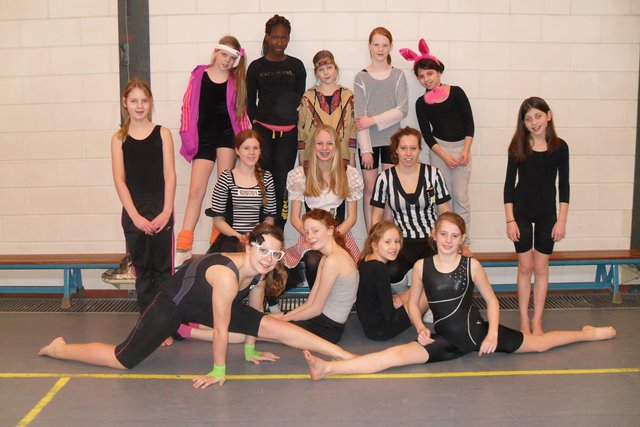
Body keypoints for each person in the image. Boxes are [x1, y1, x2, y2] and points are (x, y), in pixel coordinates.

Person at [302, 212, 616, 380]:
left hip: (478, 334)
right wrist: (420, 327)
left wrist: (493, 333)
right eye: (443, 234)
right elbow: (413, 304)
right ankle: (328, 368)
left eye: (454, 236)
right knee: (394, 357)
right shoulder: (422, 266)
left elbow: (492, 301)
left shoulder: (471, 265)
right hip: (447, 340)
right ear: (434, 236)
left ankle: (588, 333)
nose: (448, 240)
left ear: (461, 238)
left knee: (540, 344)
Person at [39, 223, 355, 389]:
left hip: (202, 303)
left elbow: (256, 317)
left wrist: (250, 350)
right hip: (173, 306)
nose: (268, 259)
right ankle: (60, 348)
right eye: (263, 250)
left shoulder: (259, 272)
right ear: (249, 245)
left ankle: (340, 354)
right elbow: (221, 328)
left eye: (275, 255)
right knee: (123, 359)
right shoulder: (228, 276)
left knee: (273, 326)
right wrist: (218, 370)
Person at [175, 36, 250, 268]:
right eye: (224, 55)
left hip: (227, 138)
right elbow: (187, 106)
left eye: (232, 58)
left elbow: (241, 114)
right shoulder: (199, 75)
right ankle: (183, 246)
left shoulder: (236, 81)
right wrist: (187, 135)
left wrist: (245, 142)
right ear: (216, 52)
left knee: (222, 192)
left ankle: (216, 240)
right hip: (204, 138)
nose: (227, 61)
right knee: (195, 191)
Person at [504, 97, 570, 336]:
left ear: (548, 116)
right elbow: (508, 186)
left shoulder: (560, 147)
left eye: (538, 116)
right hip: (521, 211)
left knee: (541, 267)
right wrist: (510, 220)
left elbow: (564, 185)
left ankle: (537, 320)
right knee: (525, 266)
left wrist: (561, 220)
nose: (534, 122)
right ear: (523, 123)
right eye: (528, 119)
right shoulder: (517, 146)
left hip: (547, 212)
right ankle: (523, 319)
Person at [401, 39, 474, 249]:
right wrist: (444, 156)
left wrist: (465, 150)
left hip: (461, 150)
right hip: (438, 152)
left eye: (430, 73)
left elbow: (469, 124)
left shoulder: (457, 92)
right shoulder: (421, 103)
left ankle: (464, 244)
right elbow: (427, 135)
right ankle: (442, 243)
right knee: (438, 198)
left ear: (438, 71)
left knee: (461, 198)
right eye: (421, 76)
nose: (426, 79)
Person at [111, 78, 176, 312]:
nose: (139, 106)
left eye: (144, 101)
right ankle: (148, 321)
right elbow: (119, 180)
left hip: (160, 207)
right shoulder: (119, 139)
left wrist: (166, 211)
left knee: (163, 271)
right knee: (143, 271)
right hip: (134, 211)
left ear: (150, 102)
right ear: (124, 103)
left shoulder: (163, 133)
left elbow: (170, 174)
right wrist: (135, 217)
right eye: (134, 101)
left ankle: (165, 321)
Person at [370, 126, 451, 290]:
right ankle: (403, 298)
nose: (408, 153)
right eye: (403, 148)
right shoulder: (385, 179)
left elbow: (445, 211)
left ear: (419, 149)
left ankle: (419, 303)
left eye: (413, 148)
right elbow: (376, 218)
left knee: (435, 275)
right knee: (390, 272)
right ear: (396, 150)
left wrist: (448, 239)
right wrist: (377, 246)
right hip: (402, 242)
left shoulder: (433, 175)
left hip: (431, 240)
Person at [284, 124, 363, 292]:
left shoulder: (349, 173)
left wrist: (332, 237)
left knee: (346, 262)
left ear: (336, 147)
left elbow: (352, 217)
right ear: (313, 146)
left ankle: (340, 299)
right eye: (320, 143)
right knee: (313, 260)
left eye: (329, 143)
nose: (324, 148)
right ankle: (317, 299)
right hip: (310, 235)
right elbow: (295, 218)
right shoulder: (301, 174)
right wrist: (312, 235)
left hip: (340, 233)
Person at [247, 14, 306, 229]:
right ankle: (260, 229)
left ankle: (278, 232)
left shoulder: (296, 66)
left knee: (282, 183)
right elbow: (250, 102)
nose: (279, 42)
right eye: (275, 37)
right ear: (267, 37)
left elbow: (299, 99)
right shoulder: (256, 67)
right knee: (262, 180)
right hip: (262, 131)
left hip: (288, 134)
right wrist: (256, 127)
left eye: (284, 37)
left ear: (288, 38)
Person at [274, 209, 359, 344]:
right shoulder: (326, 258)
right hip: (320, 319)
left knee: (265, 328)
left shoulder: (333, 261)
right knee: (267, 319)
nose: (309, 236)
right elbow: (310, 303)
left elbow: (315, 309)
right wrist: (283, 318)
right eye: (307, 232)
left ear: (330, 230)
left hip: (327, 328)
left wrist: (283, 321)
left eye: (315, 231)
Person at [354, 26, 409, 231]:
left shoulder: (398, 75)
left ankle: (385, 235)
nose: (380, 49)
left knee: (388, 189)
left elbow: (402, 110)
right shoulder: (361, 77)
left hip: (392, 141)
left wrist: (373, 120)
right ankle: (372, 236)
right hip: (368, 142)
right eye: (376, 44)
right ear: (369, 46)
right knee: (370, 189)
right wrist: (366, 151)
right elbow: (360, 120)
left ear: (390, 47)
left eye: (384, 45)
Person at [204, 129, 276, 253]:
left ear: (260, 150)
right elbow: (218, 220)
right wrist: (239, 236)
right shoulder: (226, 177)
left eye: (255, 148)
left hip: (258, 238)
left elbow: (269, 218)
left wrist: (255, 233)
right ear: (237, 150)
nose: (251, 152)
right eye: (246, 148)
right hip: (231, 238)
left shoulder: (267, 178)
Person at [355, 220, 428, 341]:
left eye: (397, 241)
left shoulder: (366, 260)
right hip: (381, 330)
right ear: (374, 244)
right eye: (387, 242)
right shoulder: (380, 269)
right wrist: (404, 302)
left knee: (413, 291)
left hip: (369, 324)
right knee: (429, 290)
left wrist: (399, 298)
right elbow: (388, 314)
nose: (394, 247)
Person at [298, 50, 356, 167]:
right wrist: (301, 158)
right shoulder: (308, 97)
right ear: (316, 74)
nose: (326, 72)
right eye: (321, 69)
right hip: (313, 158)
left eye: (329, 68)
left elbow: (352, 130)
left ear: (336, 69)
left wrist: (352, 158)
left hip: (341, 156)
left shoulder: (347, 96)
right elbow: (301, 131)